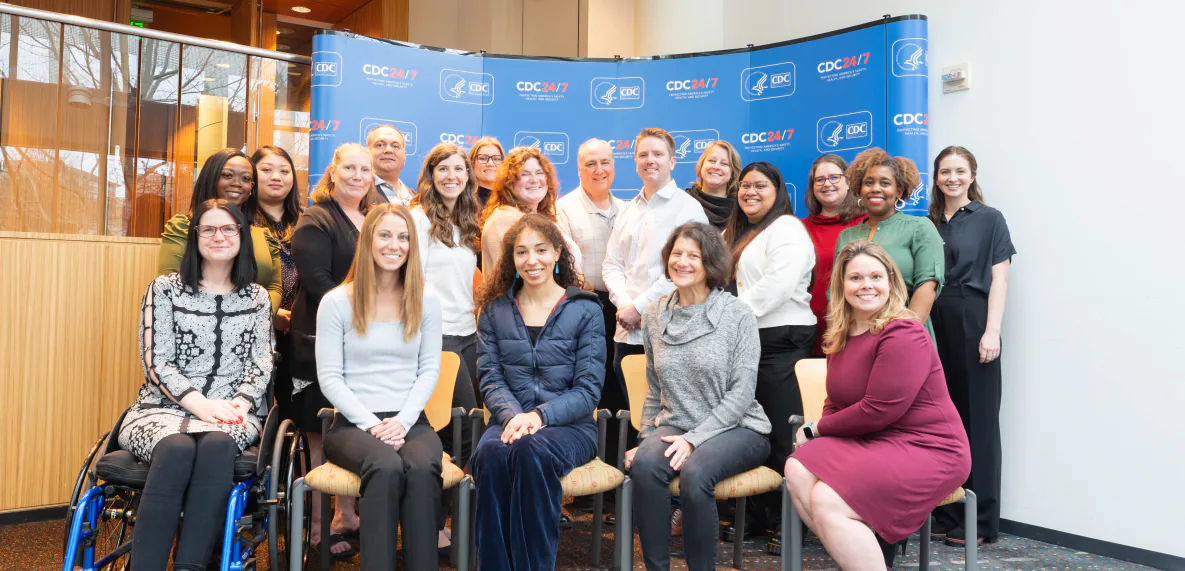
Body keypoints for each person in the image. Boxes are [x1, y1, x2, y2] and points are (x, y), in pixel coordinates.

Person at [785, 240, 970, 569]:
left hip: (930, 448)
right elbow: (836, 402)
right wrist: (820, 434)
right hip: (876, 441)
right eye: (855, 278)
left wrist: (815, 429)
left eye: (875, 276)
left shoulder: (903, 332)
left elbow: (879, 410)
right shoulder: (843, 334)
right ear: (842, 286)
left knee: (829, 499)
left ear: (891, 282)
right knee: (798, 467)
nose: (866, 285)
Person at [121, 199, 273, 570]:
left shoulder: (257, 297)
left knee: (218, 444)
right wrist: (200, 405)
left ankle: (192, 565)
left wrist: (240, 401)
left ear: (241, 236)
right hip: (160, 408)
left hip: (233, 412)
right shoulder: (165, 289)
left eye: (227, 229)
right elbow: (156, 361)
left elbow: (262, 360)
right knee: (175, 449)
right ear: (195, 236)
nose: (217, 236)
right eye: (208, 229)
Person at [623, 222, 771, 571]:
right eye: (677, 254)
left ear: (711, 264)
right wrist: (646, 439)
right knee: (644, 466)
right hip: (676, 424)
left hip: (738, 428)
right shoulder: (655, 314)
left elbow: (741, 393)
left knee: (695, 475)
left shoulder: (738, 314)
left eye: (694, 255)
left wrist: (694, 440)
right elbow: (654, 388)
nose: (683, 262)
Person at [470, 213, 605, 571]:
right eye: (521, 252)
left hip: (571, 428)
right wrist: (516, 416)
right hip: (509, 421)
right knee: (489, 456)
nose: (532, 261)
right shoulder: (495, 309)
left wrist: (539, 417)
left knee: (531, 451)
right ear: (511, 258)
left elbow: (588, 390)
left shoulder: (585, 309)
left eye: (541, 250)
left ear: (558, 252)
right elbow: (490, 379)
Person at [316, 203, 444, 571]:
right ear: (368, 241)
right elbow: (330, 378)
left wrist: (402, 421)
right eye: (385, 235)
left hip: (410, 421)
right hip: (353, 425)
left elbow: (428, 369)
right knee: (386, 467)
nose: (395, 245)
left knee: (421, 469)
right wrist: (374, 425)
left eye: (403, 237)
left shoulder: (427, 300)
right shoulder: (337, 301)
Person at [603, 127, 708, 535]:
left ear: (672, 160)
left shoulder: (688, 210)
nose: (650, 161)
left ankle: (674, 505)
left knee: (673, 416)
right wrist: (622, 304)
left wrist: (640, 307)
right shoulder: (628, 210)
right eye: (643, 154)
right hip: (625, 333)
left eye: (658, 154)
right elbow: (611, 265)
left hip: (670, 332)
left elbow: (684, 270)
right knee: (637, 418)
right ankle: (640, 501)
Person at [289, 142, 380, 558]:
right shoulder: (316, 218)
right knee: (319, 435)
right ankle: (315, 527)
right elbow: (317, 282)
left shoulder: (373, 218)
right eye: (350, 168)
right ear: (333, 172)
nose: (358, 175)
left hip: (363, 343)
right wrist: (360, 316)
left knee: (349, 428)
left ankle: (346, 514)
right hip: (320, 342)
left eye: (365, 169)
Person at [723, 161, 816, 539]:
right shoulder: (741, 232)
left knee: (783, 433)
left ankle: (790, 522)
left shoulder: (787, 227)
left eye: (760, 185)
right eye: (744, 186)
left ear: (778, 190)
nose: (750, 192)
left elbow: (778, 285)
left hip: (783, 341)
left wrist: (728, 319)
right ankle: (757, 516)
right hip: (749, 340)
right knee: (749, 431)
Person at [927, 146, 1015, 547]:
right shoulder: (927, 222)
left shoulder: (990, 219)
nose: (952, 178)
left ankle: (981, 521)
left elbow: (1000, 280)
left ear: (972, 174)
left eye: (960, 171)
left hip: (973, 317)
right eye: (945, 171)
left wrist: (992, 330)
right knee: (942, 420)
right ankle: (946, 510)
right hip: (933, 318)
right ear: (936, 176)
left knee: (978, 421)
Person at [408, 143, 481, 551]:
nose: (452, 176)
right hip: (434, 338)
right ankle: (431, 524)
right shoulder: (418, 219)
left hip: (467, 334)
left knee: (467, 429)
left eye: (460, 169)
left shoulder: (467, 221)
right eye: (444, 169)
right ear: (431, 174)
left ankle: (448, 522)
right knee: (447, 434)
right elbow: (411, 280)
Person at [556, 138, 627, 479]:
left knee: (619, 389)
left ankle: (614, 469)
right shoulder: (563, 208)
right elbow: (568, 264)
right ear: (579, 168)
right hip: (583, 306)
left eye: (605, 162)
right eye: (590, 164)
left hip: (624, 308)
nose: (599, 170)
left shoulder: (629, 209)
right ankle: (581, 471)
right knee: (586, 388)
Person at [835, 148, 944, 340]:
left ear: (899, 191)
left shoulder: (919, 228)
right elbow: (835, 293)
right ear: (860, 189)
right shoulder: (846, 236)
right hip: (855, 336)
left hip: (906, 334)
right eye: (869, 183)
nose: (875, 188)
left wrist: (905, 336)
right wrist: (838, 338)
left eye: (885, 183)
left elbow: (928, 285)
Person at [158, 148, 282, 313]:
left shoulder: (262, 235)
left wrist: (255, 318)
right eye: (227, 175)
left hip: (252, 330)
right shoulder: (184, 227)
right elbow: (170, 285)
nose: (237, 183)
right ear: (211, 178)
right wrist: (221, 321)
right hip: (196, 328)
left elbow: (274, 286)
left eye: (245, 178)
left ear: (251, 188)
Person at [250, 145, 303, 422]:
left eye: (284, 171)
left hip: (298, 333)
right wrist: (272, 314)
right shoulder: (239, 220)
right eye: (267, 170)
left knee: (294, 413)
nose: (276, 177)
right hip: (252, 329)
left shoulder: (307, 220)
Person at [480, 146, 582, 278]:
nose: (534, 179)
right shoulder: (503, 219)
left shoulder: (545, 217)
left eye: (539, 173)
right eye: (524, 174)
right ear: (509, 182)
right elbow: (512, 280)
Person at [803, 154, 866, 356]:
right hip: (809, 326)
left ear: (848, 182)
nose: (826, 184)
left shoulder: (866, 224)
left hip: (856, 324)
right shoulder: (798, 228)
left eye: (834, 177)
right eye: (819, 180)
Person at [684, 140, 741, 229]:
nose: (716, 167)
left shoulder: (741, 207)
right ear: (701, 164)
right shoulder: (684, 202)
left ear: (733, 172)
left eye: (724, 164)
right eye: (712, 161)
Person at [367, 125, 415, 206]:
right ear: (367, 153)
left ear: (404, 156)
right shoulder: (359, 191)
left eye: (395, 146)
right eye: (380, 145)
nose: (388, 150)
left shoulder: (416, 197)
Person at [467, 136, 505, 209]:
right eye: (483, 158)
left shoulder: (510, 200)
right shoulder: (463, 200)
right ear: (472, 163)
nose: (490, 163)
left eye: (496, 159)